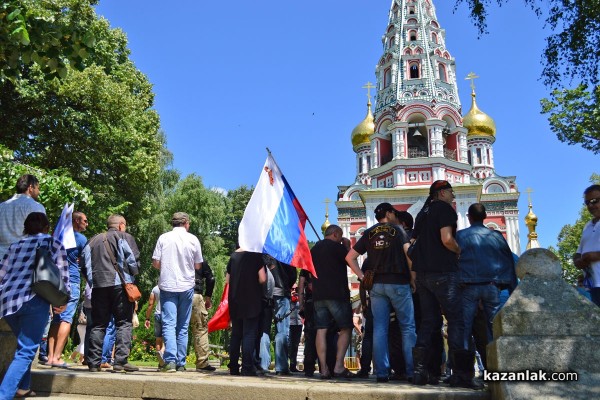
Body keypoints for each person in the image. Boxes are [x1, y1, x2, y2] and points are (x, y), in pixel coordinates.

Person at [410, 180, 482, 389]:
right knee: (456, 320)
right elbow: (447, 239)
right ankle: (461, 374)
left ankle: (422, 372)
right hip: (444, 272)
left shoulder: (422, 213)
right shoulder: (444, 209)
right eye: (451, 192)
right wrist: (459, 250)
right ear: (441, 193)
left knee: (429, 322)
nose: (453, 196)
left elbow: (413, 245)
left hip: (423, 275)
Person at [0, 212, 69, 399]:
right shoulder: (53, 243)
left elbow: (1, 273)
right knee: (26, 350)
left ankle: (23, 387)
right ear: (47, 227)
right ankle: (4, 395)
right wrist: (63, 300)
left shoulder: (15, 245)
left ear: (26, 228)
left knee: (24, 346)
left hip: (7, 303)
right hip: (34, 298)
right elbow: (62, 273)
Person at [346, 203, 416, 383]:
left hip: (376, 286)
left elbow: (350, 257)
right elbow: (409, 254)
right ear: (390, 213)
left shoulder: (369, 232)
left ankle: (382, 372)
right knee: (407, 327)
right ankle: (411, 371)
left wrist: (362, 277)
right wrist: (413, 278)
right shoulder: (398, 230)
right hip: (399, 283)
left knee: (379, 328)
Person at [456, 203, 516, 364]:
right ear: (485, 217)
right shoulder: (496, 236)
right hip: (492, 286)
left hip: (468, 286)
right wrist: (512, 289)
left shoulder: (460, 236)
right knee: (494, 328)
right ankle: (497, 368)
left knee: (465, 329)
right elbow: (508, 261)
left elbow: (453, 262)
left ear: (469, 217)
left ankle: (464, 372)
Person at [81, 214, 140, 373]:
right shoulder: (124, 237)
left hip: (99, 286)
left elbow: (84, 263)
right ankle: (120, 362)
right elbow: (133, 261)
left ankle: (93, 363)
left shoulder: (92, 240)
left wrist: (92, 281)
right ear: (121, 225)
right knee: (124, 322)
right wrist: (131, 276)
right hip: (119, 285)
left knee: (98, 324)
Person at [152, 212, 203, 372]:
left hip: (167, 285)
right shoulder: (193, 239)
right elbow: (198, 265)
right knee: (182, 325)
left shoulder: (163, 238)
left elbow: (155, 263)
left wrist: (167, 266)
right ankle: (181, 363)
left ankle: (170, 361)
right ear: (186, 223)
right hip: (187, 285)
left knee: (168, 323)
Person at [311, 224, 362, 379]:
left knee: (321, 330)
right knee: (346, 328)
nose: (340, 239)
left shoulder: (313, 249)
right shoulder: (337, 247)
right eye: (339, 237)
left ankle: (324, 369)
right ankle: (339, 366)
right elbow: (350, 259)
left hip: (318, 295)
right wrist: (346, 246)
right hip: (337, 294)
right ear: (334, 234)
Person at [46, 211, 88, 367]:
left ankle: (50, 356)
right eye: (84, 220)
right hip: (72, 281)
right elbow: (85, 262)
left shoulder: (58, 236)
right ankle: (57, 357)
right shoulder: (81, 239)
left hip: (56, 282)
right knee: (66, 319)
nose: (86, 223)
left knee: (56, 319)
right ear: (76, 221)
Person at [226, 249, 267, 376]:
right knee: (249, 334)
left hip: (235, 300)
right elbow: (262, 278)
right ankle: (247, 367)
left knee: (236, 334)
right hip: (251, 300)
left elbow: (227, 280)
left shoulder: (233, 257)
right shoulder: (255, 256)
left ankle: (233, 367)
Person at [0, 174, 46, 259]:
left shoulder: (2, 206)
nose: (38, 192)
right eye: (38, 188)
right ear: (31, 188)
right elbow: (40, 236)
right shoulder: (35, 206)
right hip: (23, 258)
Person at [574, 184, 600, 307]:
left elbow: (593, 255)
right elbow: (579, 251)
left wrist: (596, 255)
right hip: (593, 284)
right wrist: (578, 260)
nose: (590, 205)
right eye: (587, 202)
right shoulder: (587, 226)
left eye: (595, 201)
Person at [270, 259, 297, 375]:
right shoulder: (286, 255)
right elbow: (292, 275)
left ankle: (262, 365)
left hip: (268, 294)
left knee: (264, 330)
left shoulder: (266, 254)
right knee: (282, 330)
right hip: (282, 292)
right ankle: (281, 367)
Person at [191, 260, 216, 372]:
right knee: (200, 329)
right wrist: (208, 297)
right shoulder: (200, 260)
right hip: (195, 295)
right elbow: (211, 279)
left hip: (176, 293)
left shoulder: (177, 256)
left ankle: (175, 362)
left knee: (177, 327)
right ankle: (202, 363)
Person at [145, 285, 164, 367]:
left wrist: (147, 318)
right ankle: (163, 353)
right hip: (167, 314)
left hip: (157, 314)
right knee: (167, 337)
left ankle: (160, 363)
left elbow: (150, 304)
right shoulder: (169, 286)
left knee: (158, 339)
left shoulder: (155, 289)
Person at [288, 284, 303, 373]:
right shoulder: (287, 299)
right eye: (292, 288)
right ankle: (285, 365)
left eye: (296, 288)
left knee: (295, 345)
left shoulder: (299, 298)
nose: (294, 290)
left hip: (298, 324)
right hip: (289, 323)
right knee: (288, 345)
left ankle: (293, 365)